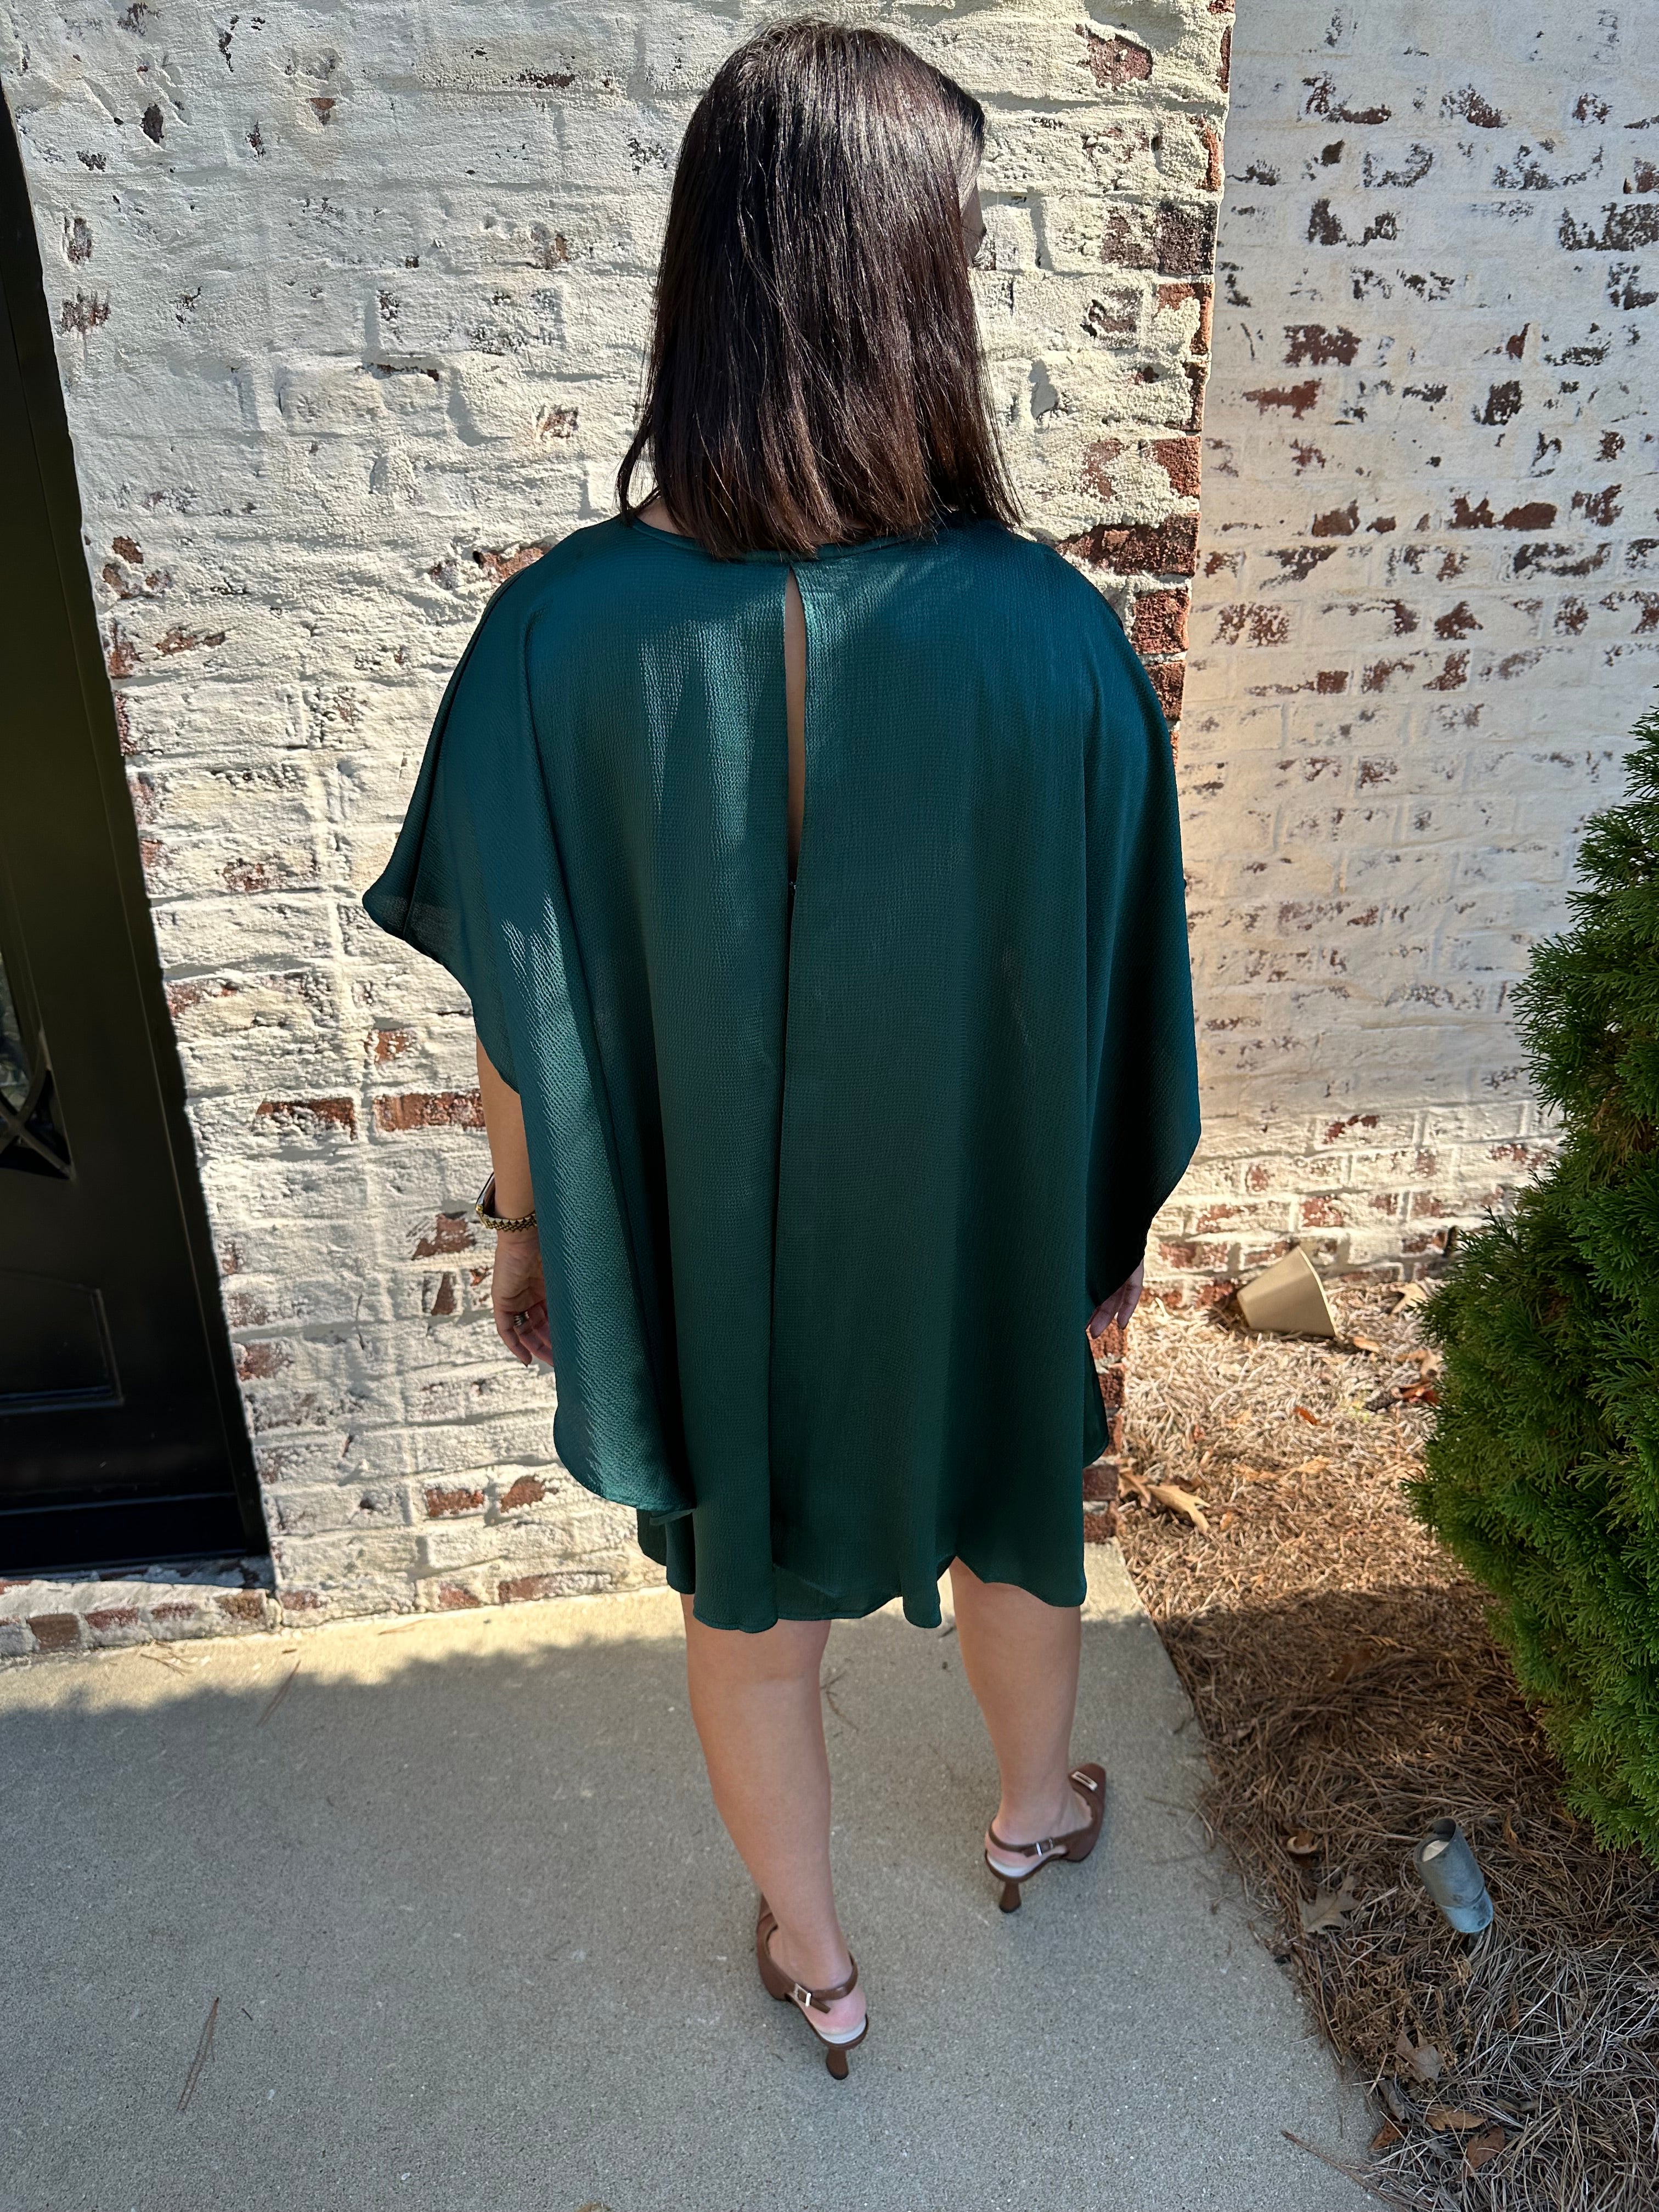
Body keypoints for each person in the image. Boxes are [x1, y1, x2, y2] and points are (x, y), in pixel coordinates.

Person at [364, 19, 1200, 2080]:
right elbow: (1119, 985)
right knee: (1015, 1493)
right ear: (924, 289)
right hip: (966, 1226)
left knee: (746, 1599)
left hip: (722, 1263)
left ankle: (819, 1963)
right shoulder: (1055, 634)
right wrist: (1086, 1239)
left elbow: (521, 1001)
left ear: (707, 283)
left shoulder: (557, 636)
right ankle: (1032, 1817)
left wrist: (528, 1228)